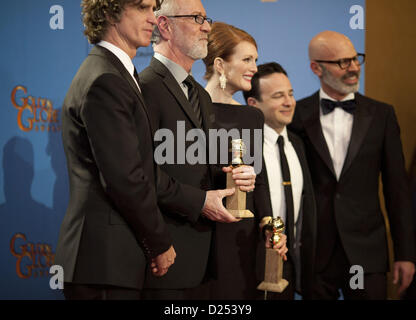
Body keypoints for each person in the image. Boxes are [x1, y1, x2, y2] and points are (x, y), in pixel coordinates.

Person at [55, 0, 233, 300]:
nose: (153, 18)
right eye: (142, 8)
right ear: (110, 13)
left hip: (114, 261)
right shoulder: (106, 79)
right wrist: (160, 243)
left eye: (153, 8)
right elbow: (126, 177)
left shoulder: (116, 73)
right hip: (104, 261)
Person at [139, 0, 257, 300]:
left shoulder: (200, 96)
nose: (207, 26)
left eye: (206, 18)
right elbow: (139, 174)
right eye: (196, 18)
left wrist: (238, 176)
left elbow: (198, 167)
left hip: (206, 261)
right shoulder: (146, 88)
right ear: (164, 26)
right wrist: (201, 201)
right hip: (163, 259)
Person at [289, 30, 416, 299]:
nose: (354, 68)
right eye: (342, 62)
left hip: (365, 253)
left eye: (356, 59)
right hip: (315, 254)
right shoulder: (296, 115)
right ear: (316, 68)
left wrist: (405, 254)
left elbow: (398, 190)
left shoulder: (382, 115)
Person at [202, 22, 287, 300]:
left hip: (241, 239)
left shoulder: (251, 116)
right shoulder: (189, 108)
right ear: (220, 64)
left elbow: (257, 179)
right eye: (247, 59)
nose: (254, 67)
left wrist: (268, 226)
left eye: (256, 60)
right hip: (199, 231)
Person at [244, 62, 317, 299]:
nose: (289, 102)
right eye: (278, 96)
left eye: (291, 94)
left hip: (290, 270)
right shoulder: (245, 148)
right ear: (253, 104)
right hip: (251, 271)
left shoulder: (298, 144)